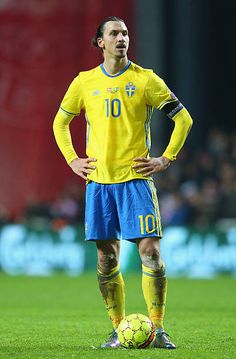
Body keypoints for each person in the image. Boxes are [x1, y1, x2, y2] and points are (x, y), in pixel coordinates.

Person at [53, 16, 193, 349]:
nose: (122, 38)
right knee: (106, 260)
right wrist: (72, 159)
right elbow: (60, 123)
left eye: (125, 33)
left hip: (136, 181)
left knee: (151, 253)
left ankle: (158, 329)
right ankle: (117, 329)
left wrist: (165, 158)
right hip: (99, 183)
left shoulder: (145, 80)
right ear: (100, 42)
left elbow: (183, 118)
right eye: (114, 33)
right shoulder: (84, 82)